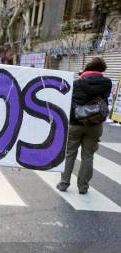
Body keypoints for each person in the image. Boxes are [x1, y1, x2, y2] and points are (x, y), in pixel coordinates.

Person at [57, 57, 112, 194]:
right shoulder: (107, 83)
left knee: (70, 154)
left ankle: (64, 183)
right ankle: (83, 187)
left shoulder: (77, 83)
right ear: (102, 69)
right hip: (95, 123)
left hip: (76, 122)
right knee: (88, 156)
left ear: (88, 67)